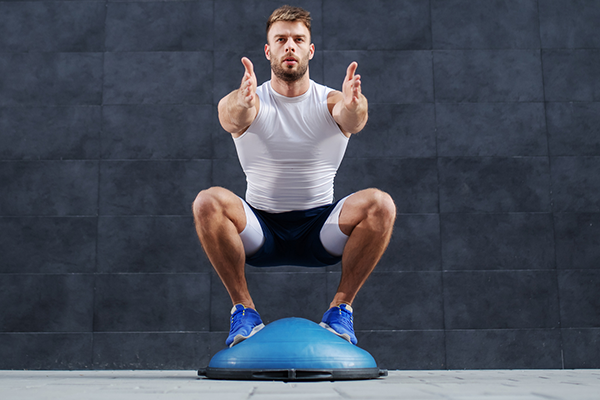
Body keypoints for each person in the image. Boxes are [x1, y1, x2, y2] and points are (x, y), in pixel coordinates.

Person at [192, 5, 396, 347]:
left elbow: (352, 117)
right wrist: (242, 102)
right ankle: (244, 312)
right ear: (268, 50)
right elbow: (230, 115)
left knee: (381, 204)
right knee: (207, 201)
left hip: (320, 231)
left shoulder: (331, 99)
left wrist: (355, 104)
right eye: (282, 39)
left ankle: (340, 309)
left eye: (298, 39)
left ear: (310, 50)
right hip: (260, 231)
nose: (290, 46)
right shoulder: (250, 99)